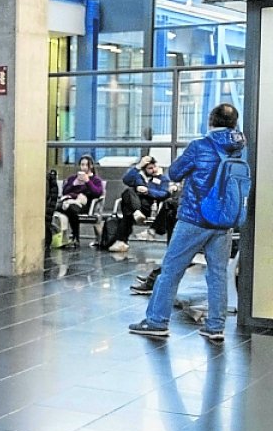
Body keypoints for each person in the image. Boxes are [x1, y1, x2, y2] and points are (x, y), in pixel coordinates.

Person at [129, 104, 245, 341]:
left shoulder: (199, 146)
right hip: (224, 221)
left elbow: (174, 173)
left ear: (211, 121)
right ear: (234, 123)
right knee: (218, 274)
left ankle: (157, 321)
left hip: (195, 218)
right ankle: (215, 327)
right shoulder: (240, 149)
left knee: (171, 270)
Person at [110, 155, 176, 253]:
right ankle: (136, 212)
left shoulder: (162, 179)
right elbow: (126, 180)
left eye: (154, 167)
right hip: (136, 204)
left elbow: (164, 193)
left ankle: (121, 241)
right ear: (144, 169)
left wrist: (147, 191)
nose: (153, 170)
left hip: (150, 206)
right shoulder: (139, 177)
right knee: (128, 192)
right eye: (150, 168)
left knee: (128, 211)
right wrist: (138, 166)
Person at [56, 154, 104, 248]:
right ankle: (62, 236)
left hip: (84, 205)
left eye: (87, 165)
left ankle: (75, 237)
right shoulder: (73, 178)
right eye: (82, 165)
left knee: (70, 209)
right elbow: (65, 191)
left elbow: (97, 193)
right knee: (59, 207)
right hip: (68, 201)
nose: (84, 167)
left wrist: (87, 181)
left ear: (91, 166)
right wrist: (74, 184)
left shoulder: (95, 180)